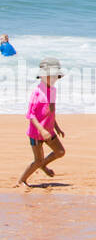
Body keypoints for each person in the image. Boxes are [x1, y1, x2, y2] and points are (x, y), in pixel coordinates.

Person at [17, 57, 66, 188]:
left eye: (56, 76)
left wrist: (57, 127)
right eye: (52, 76)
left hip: (49, 131)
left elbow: (51, 111)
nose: (55, 79)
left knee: (60, 152)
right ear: (43, 76)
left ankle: (43, 164)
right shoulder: (37, 92)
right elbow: (30, 115)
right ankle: (22, 180)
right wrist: (42, 130)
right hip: (36, 132)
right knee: (37, 159)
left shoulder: (53, 91)